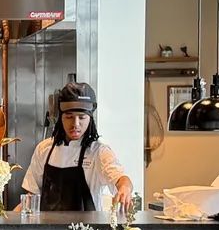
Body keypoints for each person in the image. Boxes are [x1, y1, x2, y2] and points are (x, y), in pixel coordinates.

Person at [20, 82, 135, 213]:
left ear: (90, 119)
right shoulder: (44, 148)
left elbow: (121, 178)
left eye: (82, 117)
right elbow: (31, 196)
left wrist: (125, 188)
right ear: (61, 118)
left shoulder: (98, 151)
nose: (75, 124)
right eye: (69, 117)